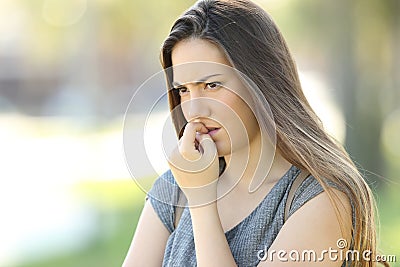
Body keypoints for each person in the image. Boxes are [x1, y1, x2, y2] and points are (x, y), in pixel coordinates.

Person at [123, 0, 387, 266]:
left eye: (212, 85)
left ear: (261, 81)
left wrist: (202, 203)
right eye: (183, 90)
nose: (194, 110)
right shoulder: (175, 190)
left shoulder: (319, 200)